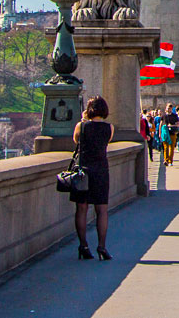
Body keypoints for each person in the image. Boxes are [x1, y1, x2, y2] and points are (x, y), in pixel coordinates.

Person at [71, 95, 114, 261]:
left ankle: (83, 245)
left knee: (81, 209)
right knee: (102, 210)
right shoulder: (109, 128)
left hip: (83, 171)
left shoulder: (81, 126)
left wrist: (83, 121)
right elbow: (106, 143)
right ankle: (102, 247)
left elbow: (76, 141)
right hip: (101, 171)